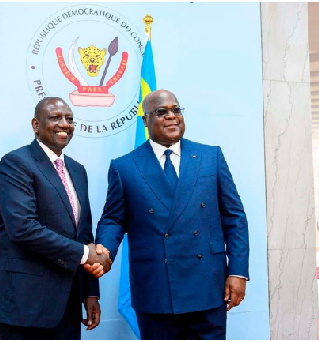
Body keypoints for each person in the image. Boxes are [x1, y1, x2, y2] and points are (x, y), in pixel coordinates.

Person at [93, 89, 249, 339]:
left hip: (208, 285)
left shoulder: (211, 157)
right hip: (156, 288)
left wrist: (238, 272)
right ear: (145, 121)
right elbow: (114, 219)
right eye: (162, 112)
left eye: (176, 110)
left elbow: (234, 218)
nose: (171, 117)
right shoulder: (125, 166)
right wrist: (104, 249)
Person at [0, 97, 112, 340]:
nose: (64, 124)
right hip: (23, 304)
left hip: (67, 304)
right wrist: (86, 254)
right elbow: (23, 228)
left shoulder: (77, 170)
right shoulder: (16, 163)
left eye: (69, 119)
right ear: (36, 124)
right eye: (55, 117)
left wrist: (90, 293)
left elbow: (83, 234)